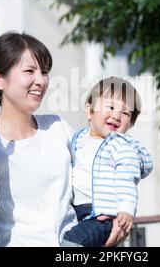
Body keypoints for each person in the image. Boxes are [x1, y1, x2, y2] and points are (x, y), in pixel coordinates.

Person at [0, 31, 127, 246]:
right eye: (29, 71)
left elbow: (90, 179)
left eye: (44, 72)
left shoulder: (57, 127)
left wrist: (111, 217)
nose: (41, 81)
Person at [62, 76, 153, 247]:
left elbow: (127, 180)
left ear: (130, 124)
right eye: (110, 107)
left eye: (126, 113)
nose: (117, 115)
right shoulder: (79, 138)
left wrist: (126, 210)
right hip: (76, 212)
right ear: (90, 112)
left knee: (70, 244)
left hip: (101, 216)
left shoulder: (121, 147)